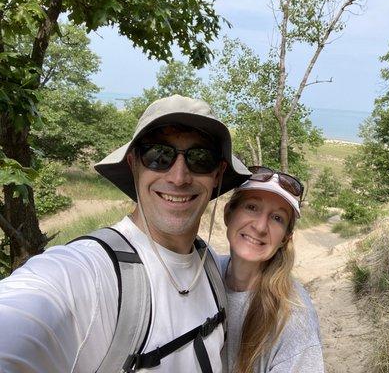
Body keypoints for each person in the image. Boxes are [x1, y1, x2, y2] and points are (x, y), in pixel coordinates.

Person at [0, 94, 250, 372]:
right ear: (134, 164)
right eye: (159, 155)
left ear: (218, 173)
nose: (179, 177)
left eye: (200, 159)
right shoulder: (88, 271)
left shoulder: (211, 266)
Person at [219, 166, 324, 373]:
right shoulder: (204, 272)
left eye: (277, 218)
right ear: (228, 214)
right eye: (252, 207)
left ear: (285, 238)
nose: (260, 227)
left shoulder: (293, 320)